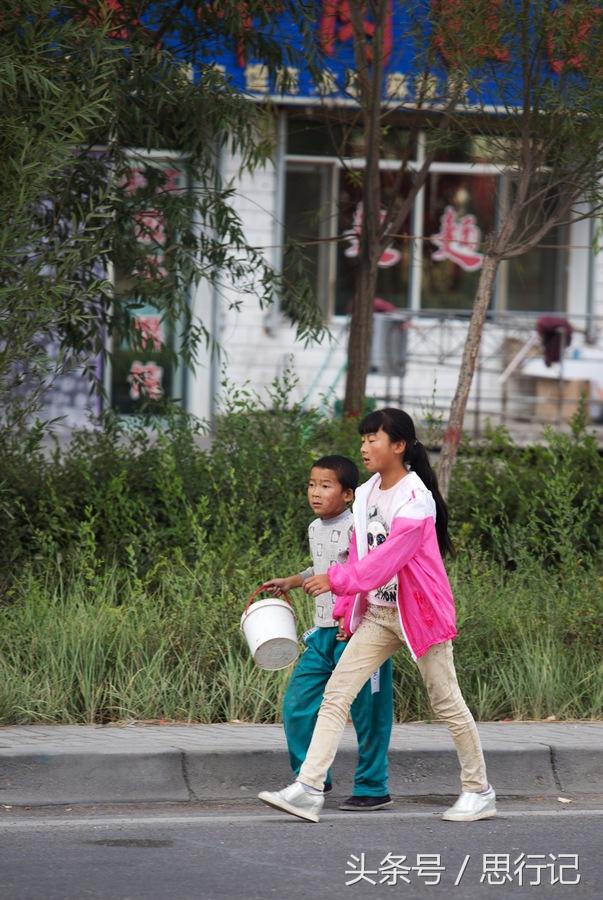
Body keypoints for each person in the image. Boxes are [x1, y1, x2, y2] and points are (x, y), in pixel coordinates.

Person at [259, 409, 496, 824]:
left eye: (374, 439)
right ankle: (309, 789)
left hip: (419, 614)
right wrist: (340, 600)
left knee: (446, 703)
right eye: (363, 439)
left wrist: (337, 579)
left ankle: (480, 791)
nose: (365, 447)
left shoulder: (414, 498)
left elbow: (387, 559)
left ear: (399, 446)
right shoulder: (367, 492)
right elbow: (358, 552)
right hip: (380, 615)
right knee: (336, 695)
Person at [264, 454, 394, 811]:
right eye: (311, 484)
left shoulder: (360, 527)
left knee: (370, 713)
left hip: (359, 632)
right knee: (297, 705)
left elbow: (370, 572)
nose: (315, 493)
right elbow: (322, 567)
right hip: (322, 635)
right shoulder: (314, 527)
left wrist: (350, 616)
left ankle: (373, 787)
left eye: (326, 486)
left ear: (349, 494)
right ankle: (312, 778)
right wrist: (294, 580)